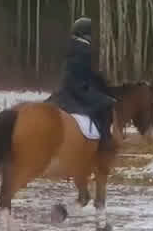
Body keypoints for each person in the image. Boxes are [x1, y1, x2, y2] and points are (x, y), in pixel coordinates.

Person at [48, 17, 116, 149]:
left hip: (65, 89)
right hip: (79, 89)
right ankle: (104, 140)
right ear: (87, 33)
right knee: (107, 104)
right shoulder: (84, 49)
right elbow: (85, 74)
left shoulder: (72, 46)